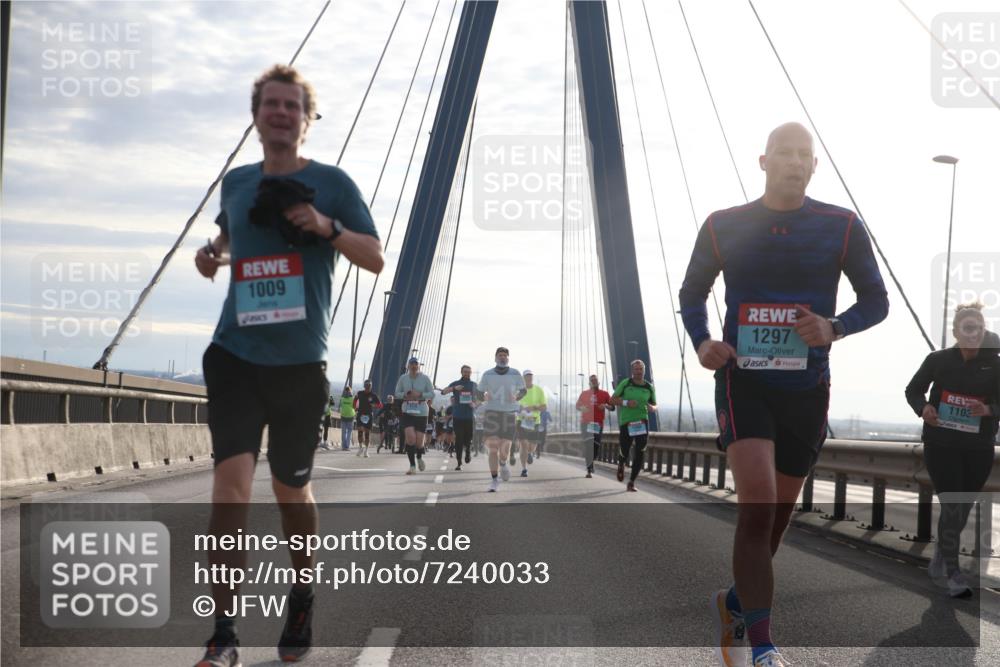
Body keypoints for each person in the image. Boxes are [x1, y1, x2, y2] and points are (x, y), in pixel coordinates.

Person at [192, 64, 384, 667]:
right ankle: (223, 634)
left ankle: (301, 590)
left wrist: (326, 228)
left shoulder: (333, 184)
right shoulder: (237, 182)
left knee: (291, 490)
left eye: (291, 106)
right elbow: (227, 236)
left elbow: (375, 258)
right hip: (234, 357)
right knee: (229, 491)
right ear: (255, 115)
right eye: (270, 104)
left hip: (300, 365)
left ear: (306, 118)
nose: (280, 113)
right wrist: (211, 254)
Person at [679, 122, 889, 667]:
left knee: (776, 519)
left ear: (814, 165)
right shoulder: (725, 225)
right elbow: (692, 291)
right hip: (743, 382)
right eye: (784, 153)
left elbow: (875, 300)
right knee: (756, 508)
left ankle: (733, 603)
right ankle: (763, 647)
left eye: (804, 155)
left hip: (806, 388)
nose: (794, 162)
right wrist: (703, 342)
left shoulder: (841, 226)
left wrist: (834, 327)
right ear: (763, 160)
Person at [905, 303, 999, 598]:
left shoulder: (996, 364)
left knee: (963, 507)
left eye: (979, 329)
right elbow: (913, 390)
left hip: (978, 447)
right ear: (956, 332)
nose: (974, 334)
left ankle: (941, 554)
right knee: (953, 504)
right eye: (968, 328)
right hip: (941, 444)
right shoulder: (938, 360)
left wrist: (988, 409)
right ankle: (953, 571)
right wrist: (924, 408)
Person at [478, 347, 526, 492]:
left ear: (508, 358)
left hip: (509, 414)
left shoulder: (515, 373)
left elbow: (523, 390)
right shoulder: (487, 374)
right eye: (500, 355)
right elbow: (479, 393)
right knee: (493, 448)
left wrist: (516, 397)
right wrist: (484, 396)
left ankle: (503, 463)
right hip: (492, 413)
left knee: (504, 448)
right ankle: (494, 480)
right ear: (495, 358)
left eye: (505, 355)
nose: (503, 357)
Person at [610, 361, 657, 491]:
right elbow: (612, 400)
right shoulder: (626, 383)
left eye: (641, 369)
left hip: (642, 422)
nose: (638, 371)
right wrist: (625, 402)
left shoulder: (649, 387)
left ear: (644, 370)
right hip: (627, 422)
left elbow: (654, 403)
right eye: (636, 369)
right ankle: (621, 464)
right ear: (632, 371)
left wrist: (652, 407)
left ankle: (631, 482)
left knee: (640, 452)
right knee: (625, 450)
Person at [395, 357, 435, 474]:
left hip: (422, 412)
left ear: (418, 366)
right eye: (411, 364)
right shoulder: (403, 378)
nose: (413, 366)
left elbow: (432, 393)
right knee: (410, 439)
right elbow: (397, 393)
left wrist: (420, 394)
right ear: (408, 366)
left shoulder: (425, 378)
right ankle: (412, 466)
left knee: (419, 442)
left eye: (415, 364)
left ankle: (419, 457)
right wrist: (405, 394)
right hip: (407, 411)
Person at [576, 374, 614, 477]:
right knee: (588, 445)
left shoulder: (604, 394)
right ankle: (589, 468)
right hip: (585, 423)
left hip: (597, 424)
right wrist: (582, 408)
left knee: (596, 445)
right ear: (589, 383)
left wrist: (605, 405)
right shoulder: (584, 394)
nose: (594, 382)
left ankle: (591, 462)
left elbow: (612, 407)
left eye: (595, 380)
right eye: (592, 381)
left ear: (598, 382)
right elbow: (577, 406)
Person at [441, 365, 478, 470]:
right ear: (461, 372)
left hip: (469, 417)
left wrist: (474, 404)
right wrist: (454, 388)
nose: (467, 373)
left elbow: (483, 397)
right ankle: (459, 463)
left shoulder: (474, 385)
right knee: (459, 439)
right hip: (458, 417)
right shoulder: (456, 384)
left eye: (469, 372)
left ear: (471, 373)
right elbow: (443, 392)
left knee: (468, 439)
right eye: (465, 371)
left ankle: (467, 452)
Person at [516, 370, 548, 477]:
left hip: (534, 421)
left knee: (532, 445)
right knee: (524, 444)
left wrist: (533, 407)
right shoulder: (518, 391)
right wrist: (519, 408)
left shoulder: (539, 390)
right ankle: (524, 469)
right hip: (521, 420)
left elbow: (544, 407)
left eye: (530, 376)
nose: (529, 378)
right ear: (523, 378)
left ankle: (530, 453)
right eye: (527, 376)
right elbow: (512, 405)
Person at [353, 380, 382, 458]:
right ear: (364, 386)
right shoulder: (360, 393)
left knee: (367, 433)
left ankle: (366, 450)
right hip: (360, 414)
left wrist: (375, 405)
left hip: (368, 415)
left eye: (369, 386)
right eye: (366, 386)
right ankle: (360, 447)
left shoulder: (373, 395)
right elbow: (355, 399)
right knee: (359, 431)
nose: (368, 387)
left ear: (371, 386)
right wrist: (354, 407)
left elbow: (380, 405)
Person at [339, 385, 355, 451]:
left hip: (343, 416)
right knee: (349, 432)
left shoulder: (342, 399)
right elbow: (354, 407)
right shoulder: (352, 399)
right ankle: (347, 446)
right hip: (350, 417)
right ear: (350, 391)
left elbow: (341, 406)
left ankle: (343, 446)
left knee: (343, 432)